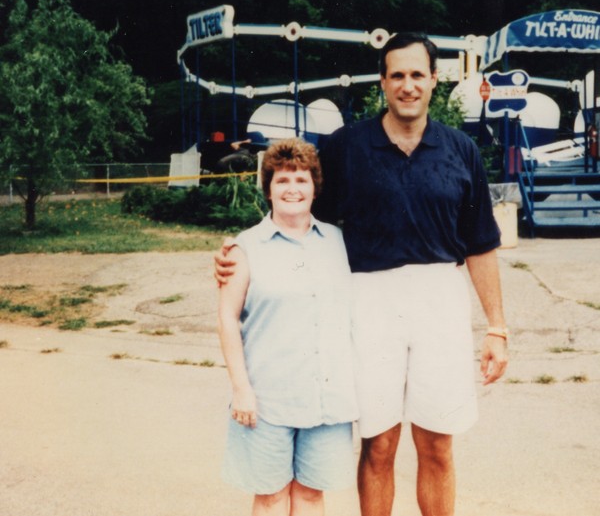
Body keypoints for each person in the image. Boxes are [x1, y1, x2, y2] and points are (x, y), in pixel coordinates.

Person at [216, 32, 509, 516]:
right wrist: (239, 253)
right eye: (397, 75)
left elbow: (481, 243)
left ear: (435, 79)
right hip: (369, 300)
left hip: (440, 299)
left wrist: (496, 326)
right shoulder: (345, 147)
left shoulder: (461, 150)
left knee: (437, 444)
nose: (408, 85)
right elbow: (299, 217)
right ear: (383, 82)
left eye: (418, 74)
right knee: (379, 444)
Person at [216, 138, 358, 516]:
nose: (292, 188)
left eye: (301, 179)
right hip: (267, 401)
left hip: (327, 401)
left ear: (315, 187)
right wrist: (241, 389)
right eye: (281, 180)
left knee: (312, 496)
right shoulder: (244, 249)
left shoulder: (341, 243)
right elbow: (227, 318)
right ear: (268, 189)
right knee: (271, 497)